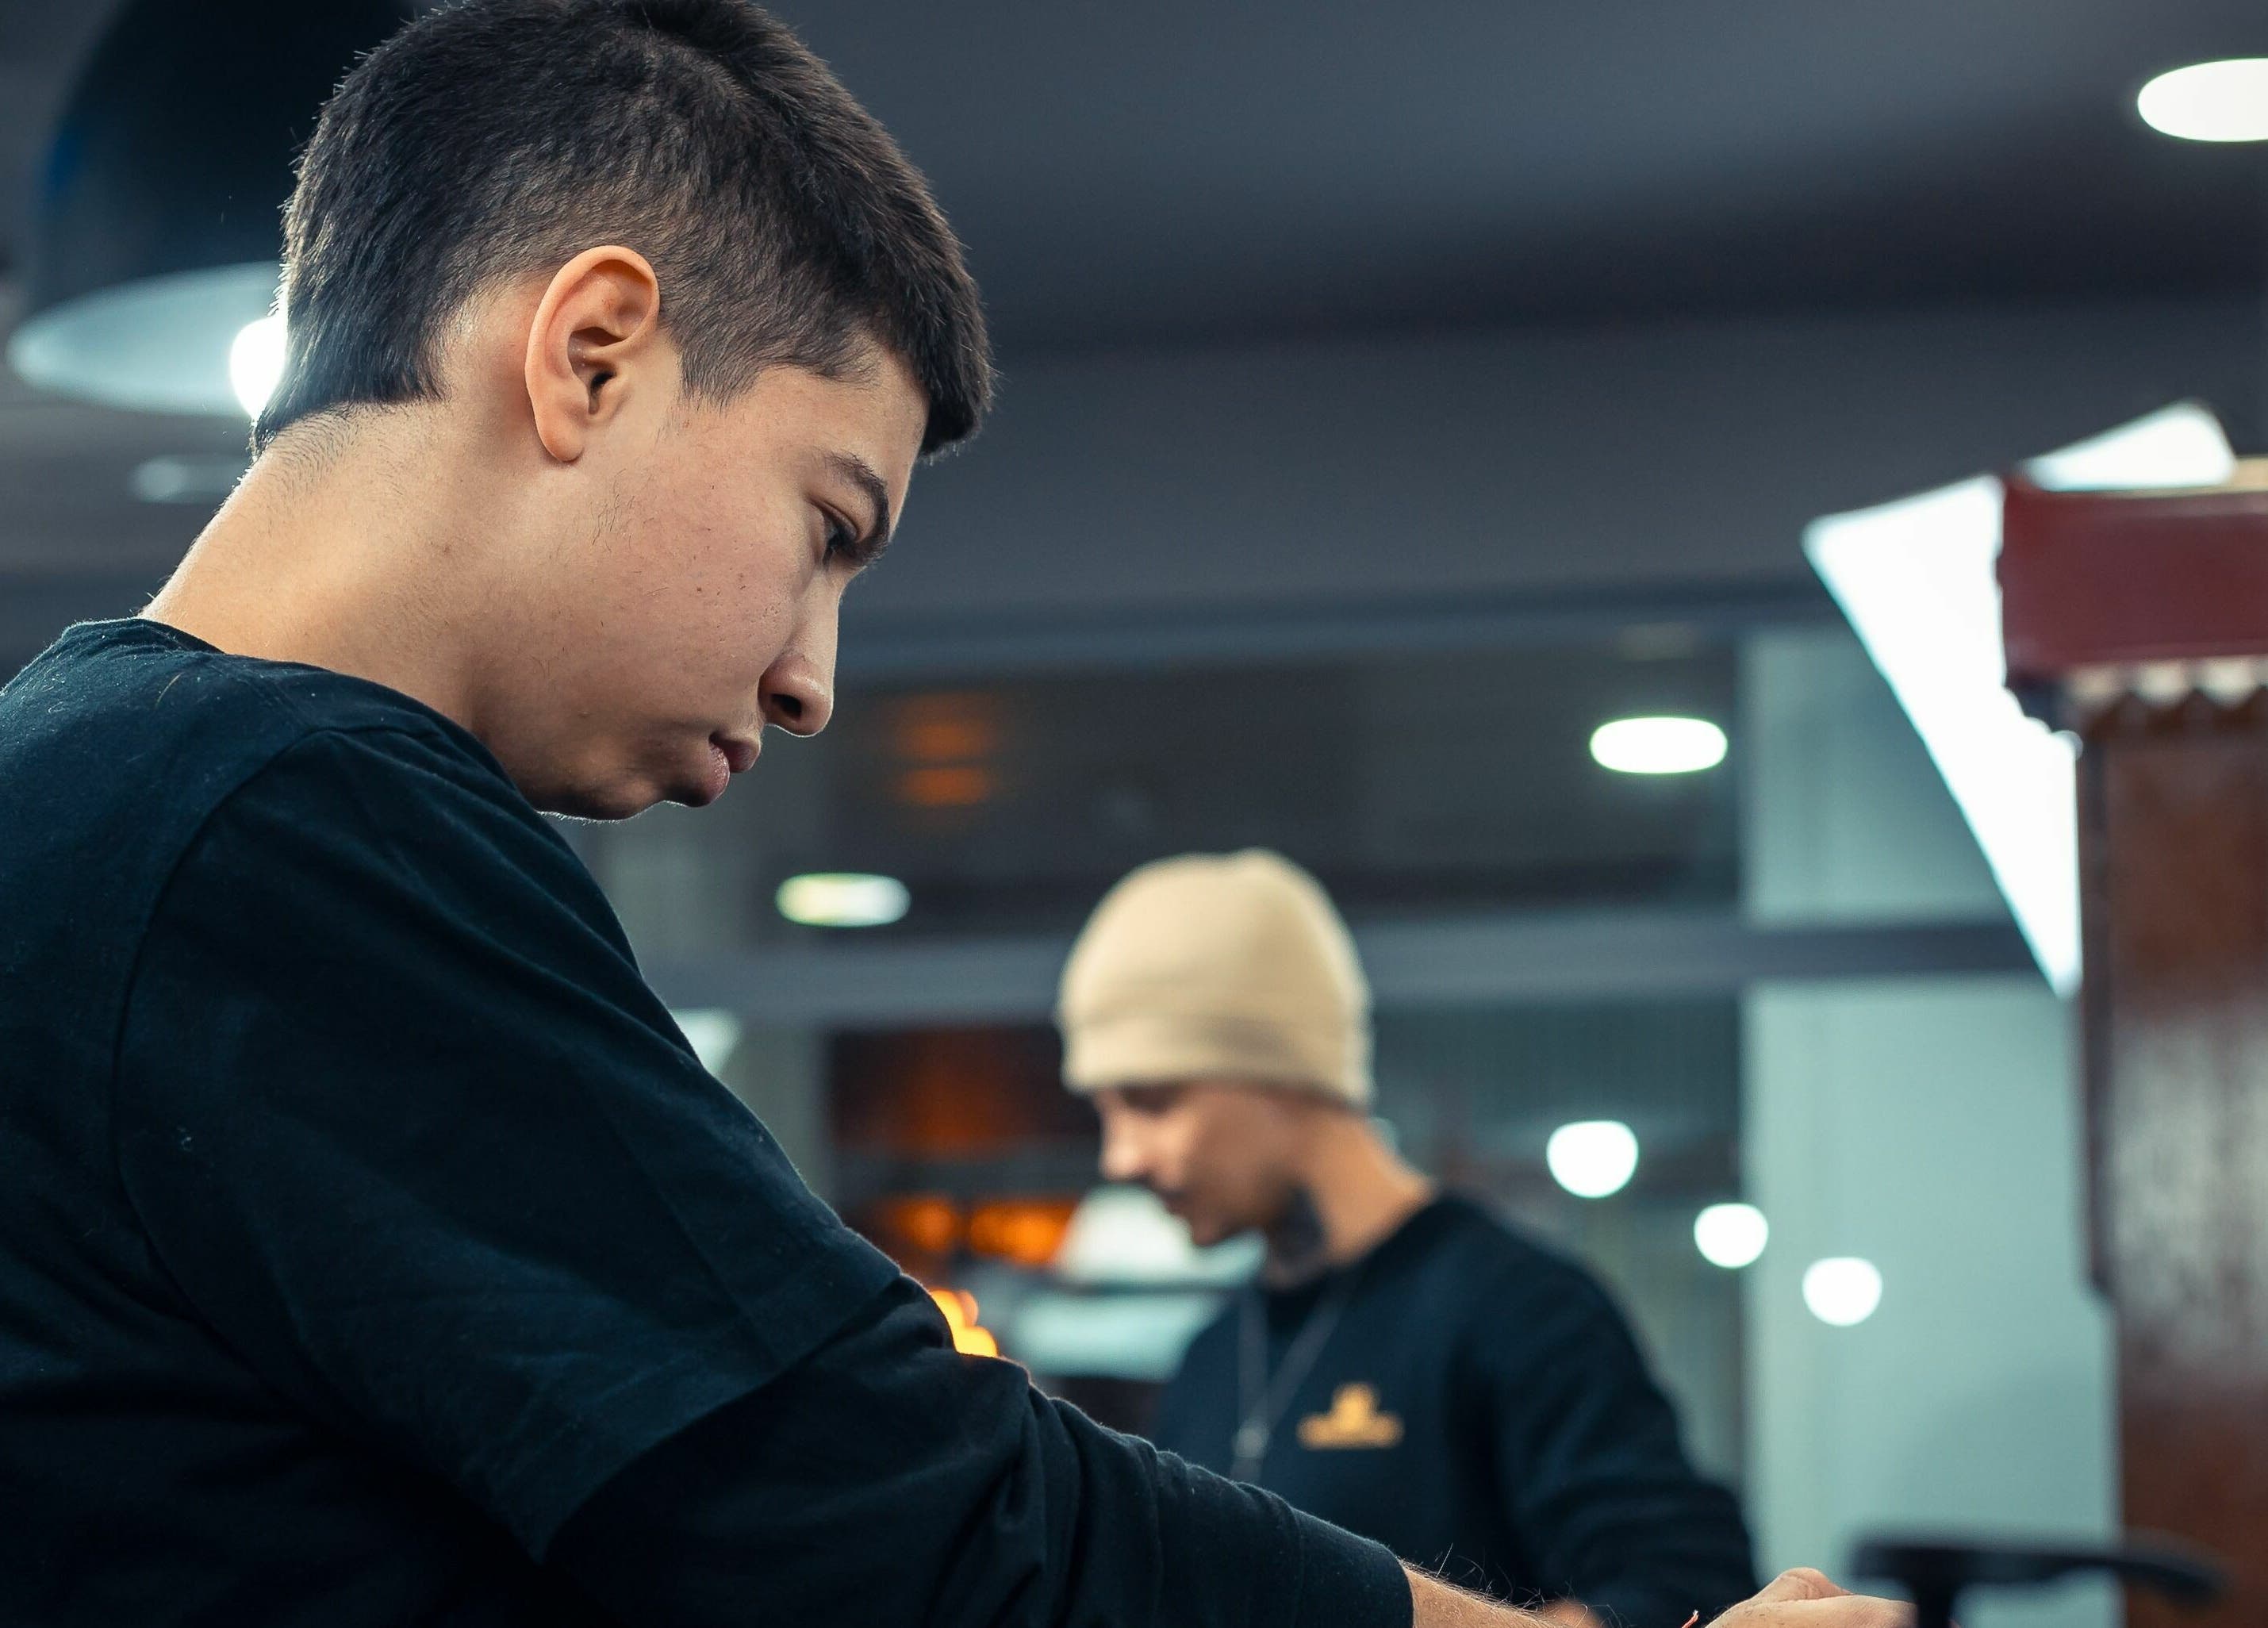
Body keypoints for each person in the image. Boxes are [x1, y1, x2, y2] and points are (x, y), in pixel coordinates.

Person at [0, 2, 1910, 1625]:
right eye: (827, 527)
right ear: (592, 355)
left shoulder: (83, 796)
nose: (812, 679)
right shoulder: (278, 819)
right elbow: (904, 1515)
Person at [1058, 850, 1760, 1625]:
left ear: (1284, 1071)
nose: (1120, 1157)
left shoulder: (1519, 1311)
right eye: (1104, 1113)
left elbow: (1684, 1590)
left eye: (1151, 1101)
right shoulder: (1211, 1357)